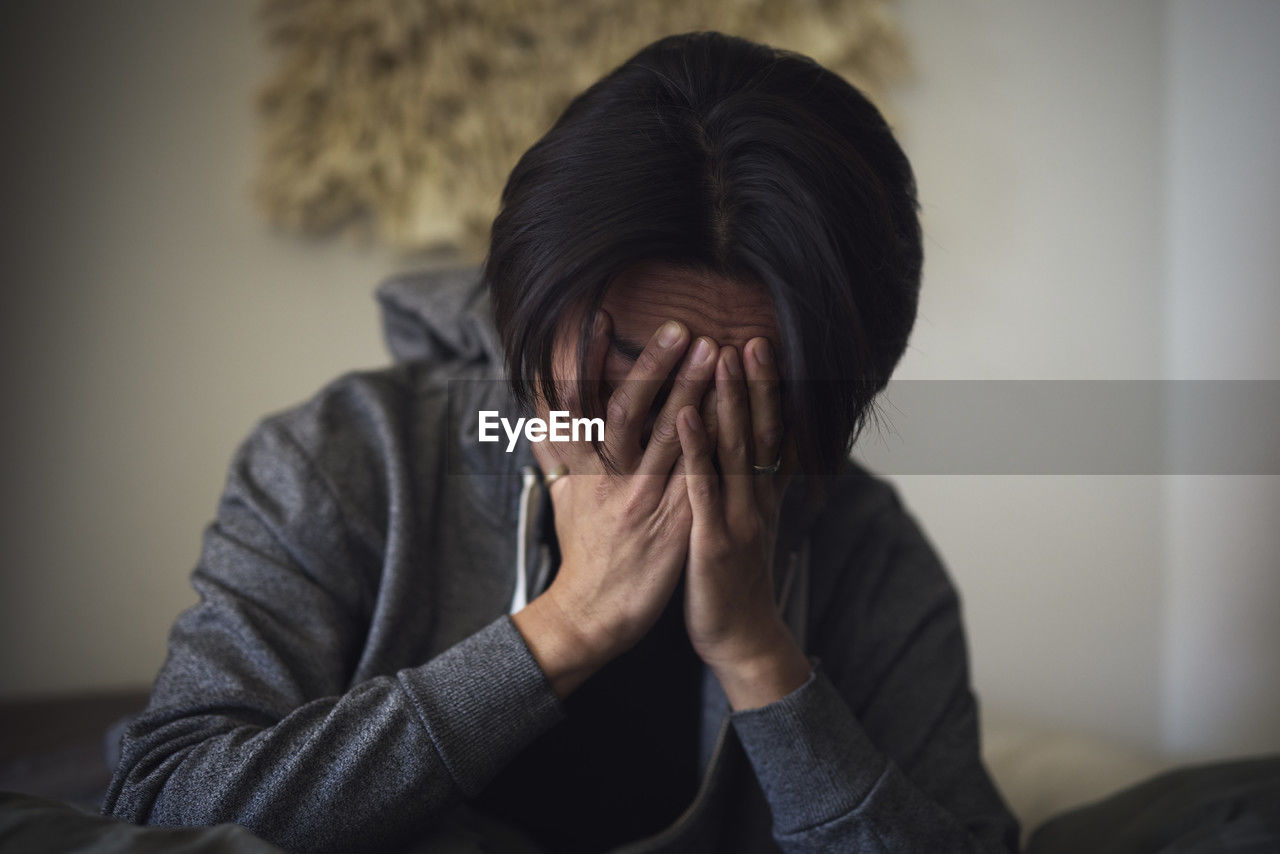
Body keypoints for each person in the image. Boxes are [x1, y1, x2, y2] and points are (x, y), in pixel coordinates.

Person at [103, 31, 1020, 853]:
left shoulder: (866, 545)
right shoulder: (346, 461)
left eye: (749, 383)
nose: (678, 415)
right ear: (527, 304)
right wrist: (566, 625)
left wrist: (760, 659)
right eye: (630, 354)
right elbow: (163, 807)